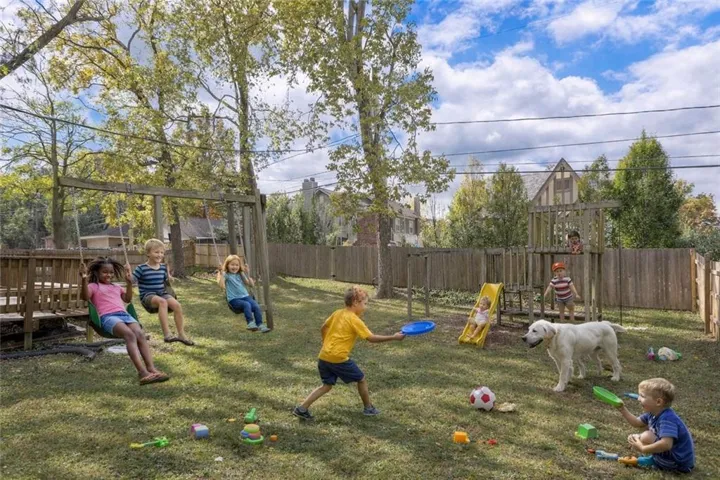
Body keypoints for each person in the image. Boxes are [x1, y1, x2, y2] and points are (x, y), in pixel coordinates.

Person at [293, 286, 405, 420]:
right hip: (338, 358)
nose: (365, 307)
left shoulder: (337, 313)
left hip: (324, 356)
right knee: (361, 379)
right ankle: (368, 408)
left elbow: (324, 327)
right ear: (355, 302)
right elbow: (371, 338)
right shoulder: (354, 320)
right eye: (365, 304)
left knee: (326, 385)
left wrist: (325, 342)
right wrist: (393, 337)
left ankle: (302, 408)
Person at [79, 257, 170, 385]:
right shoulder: (93, 286)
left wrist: (129, 283)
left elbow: (127, 299)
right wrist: (84, 279)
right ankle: (142, 373)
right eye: (104, 272)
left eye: (111, 272)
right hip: (108, 317)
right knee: (129, 335)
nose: (108, 275)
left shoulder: (117, 287)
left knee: (140, 334)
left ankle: (151, 369)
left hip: (124, 315)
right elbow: (85, 297)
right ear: (97, 273)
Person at [615, 378, 695, 473]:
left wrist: (642, 448)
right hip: (675, 459)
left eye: (642, 396)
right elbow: (636, 422)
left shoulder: (667, 418)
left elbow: (666, 444)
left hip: (678, 463)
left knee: (646, 435)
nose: (638, 399)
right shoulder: (653, 413)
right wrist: (622, 409)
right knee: (641, 436)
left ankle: (658, 461)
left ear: (658, 402)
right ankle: (656, 459)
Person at [132, 238, 193, 345]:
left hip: (161, 293)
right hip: (147, 296)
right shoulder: (141, 268)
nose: (160, 255)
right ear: (148, 253)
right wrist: (128, 276)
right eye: (156, 252)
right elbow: (132, 280)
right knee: (162, 302)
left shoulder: (162, 268)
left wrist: (170, 277)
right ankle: (167, 334)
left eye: (161, 252)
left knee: (177, 305)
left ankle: (181, 334)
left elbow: (165, 279)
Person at [217, 255, 270, 333]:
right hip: (234, 299)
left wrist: (248, 274)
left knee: (256, 306)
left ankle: (260, 324)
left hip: (246, 297)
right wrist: (221, 274)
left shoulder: (240, 274)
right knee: (246, 304)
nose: (235, 267)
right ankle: (250, 323)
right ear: (227, 265)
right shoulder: (226, 275)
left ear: (239, 266)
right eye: (232, 264)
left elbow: (250, 285)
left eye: (237, 265)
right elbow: (221, 286)